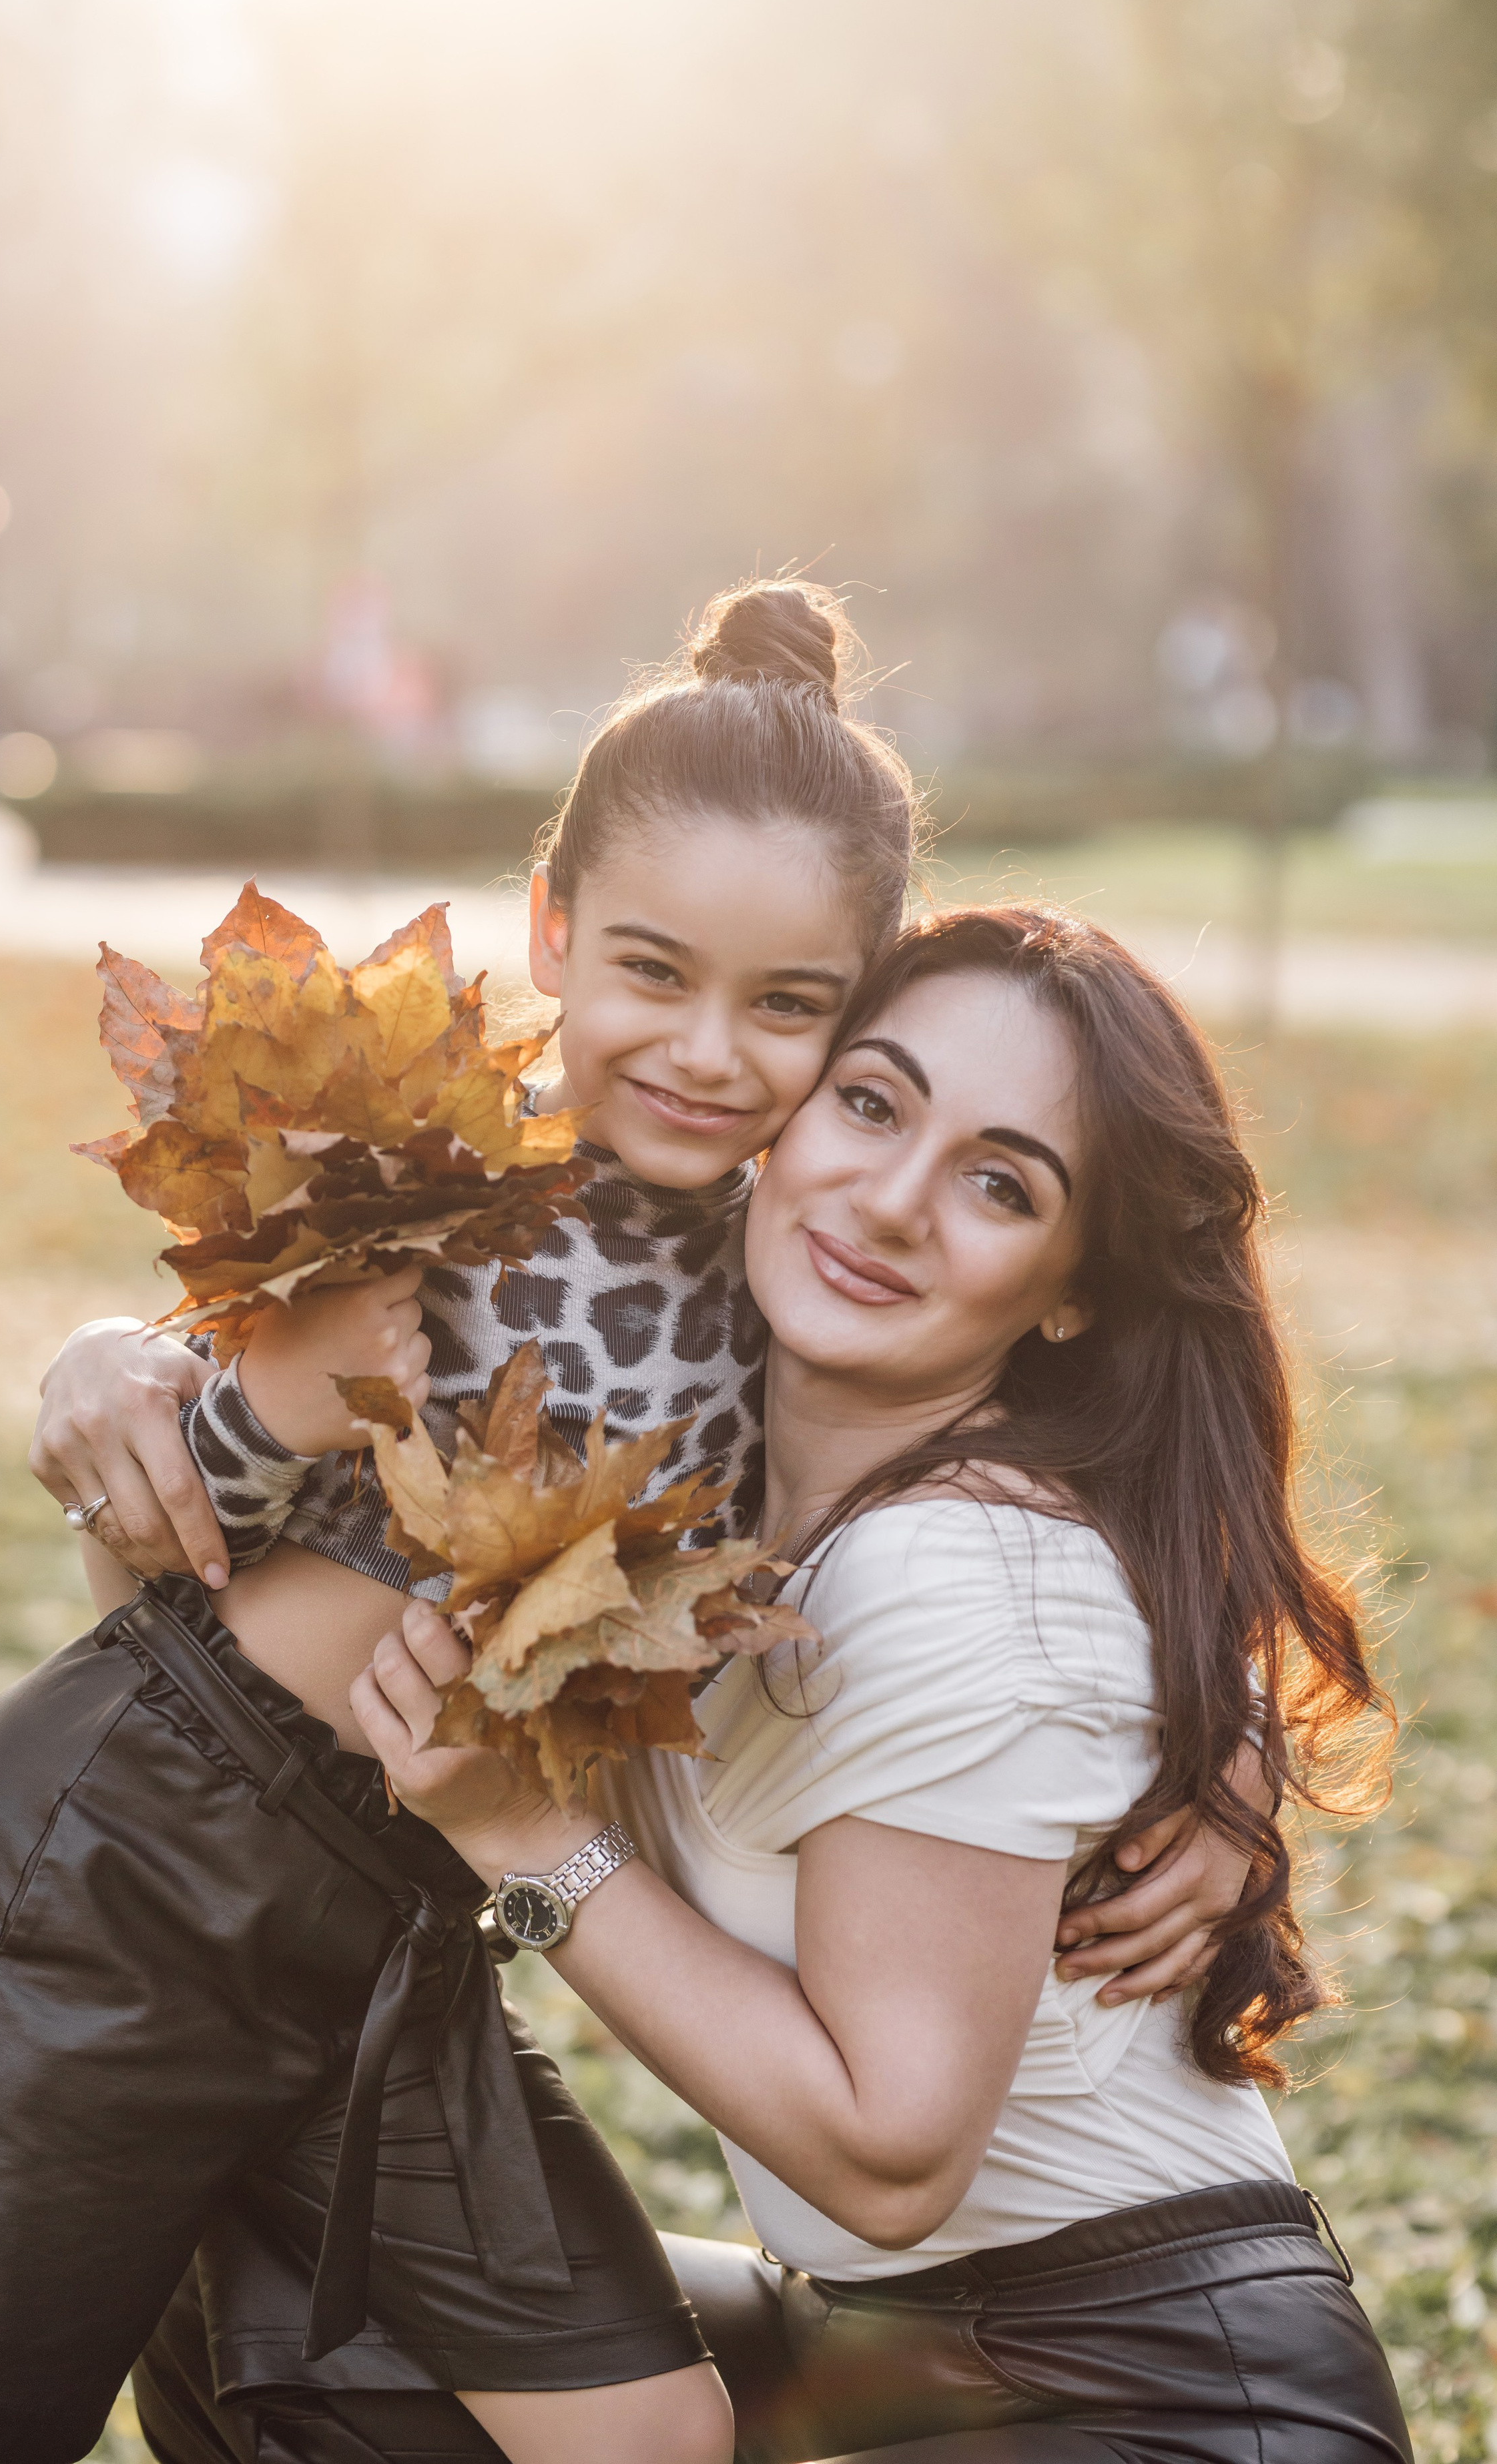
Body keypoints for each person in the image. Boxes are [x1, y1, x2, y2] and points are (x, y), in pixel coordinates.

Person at [0, 583, 914, 2464]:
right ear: (555, 924)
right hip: (137, 1854)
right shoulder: (420, 1173)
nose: (712, 1048)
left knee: (642, 2431)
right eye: (654, 969)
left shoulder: (810, 1270)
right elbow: (146, 1544)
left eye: (787, 1003)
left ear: (857, 1006)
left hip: (409, 1918)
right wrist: (256, 1397)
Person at [348, 903, 1412, 2463]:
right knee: (316, 2291)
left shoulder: (954, 1565)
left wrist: (519, 1837)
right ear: (775, 1114)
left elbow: (892, 2156)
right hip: (880, 2340)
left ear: (1069, 1289)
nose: (893, 1198)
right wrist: (127, 1367)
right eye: (868, 1100)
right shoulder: (683, 1464)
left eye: (1000, 1182)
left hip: (1150, 2397)